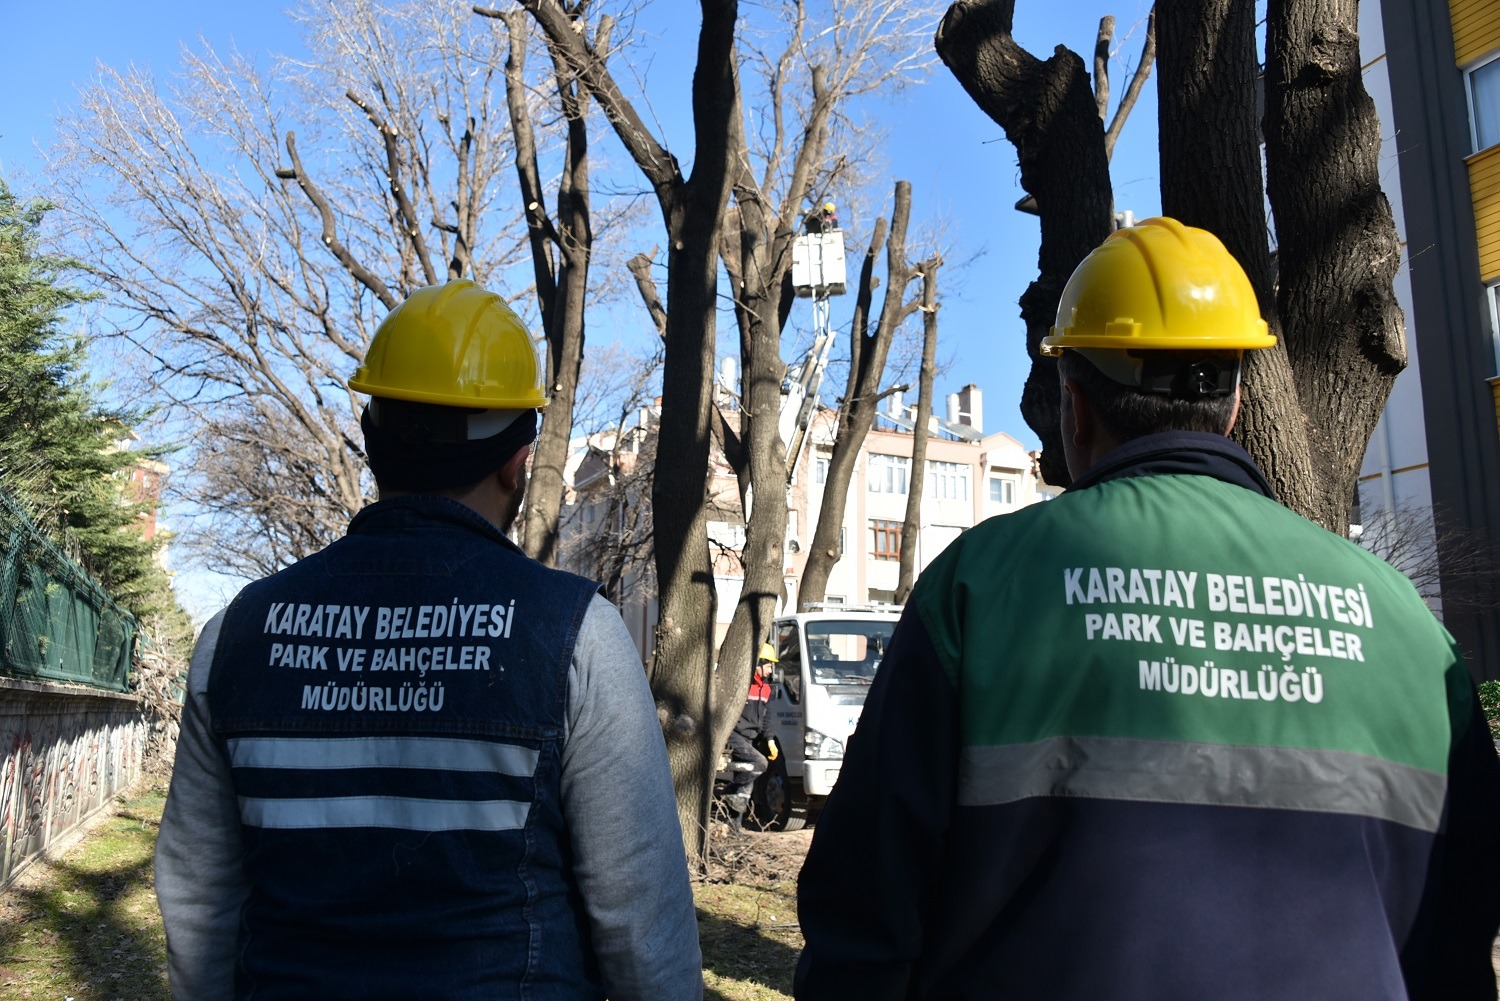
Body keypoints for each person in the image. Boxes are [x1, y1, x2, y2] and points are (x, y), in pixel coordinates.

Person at [795, 218, 1500, 999]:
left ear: (1075, 404)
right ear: (1234, 405)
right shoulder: (1406, 626)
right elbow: (1462, 940)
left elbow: (863, 922)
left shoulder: (978, 590)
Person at [155, 280, 702, 1001]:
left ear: (372, 441)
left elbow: (199, 906)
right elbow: (643, 933)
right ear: (518, 462)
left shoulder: (235, 635)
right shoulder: (576, 636)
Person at [724, 643, 778, 832]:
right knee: (760, 763)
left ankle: (733, 827)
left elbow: (768, 718)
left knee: (746, 788)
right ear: (759, 664)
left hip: (751, 739)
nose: (771, 669)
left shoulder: (767, 689)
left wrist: (770, 739)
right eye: (769, 664)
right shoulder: (742, 685)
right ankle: (729, 789)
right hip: (734, 735)